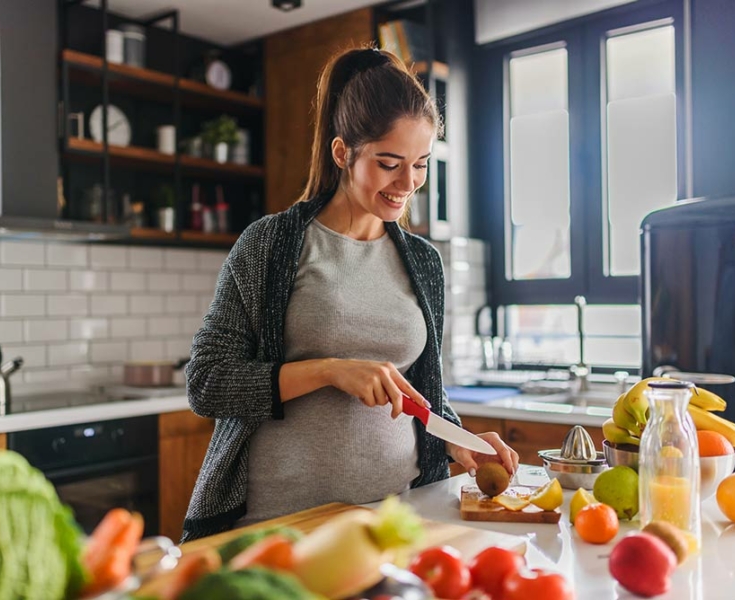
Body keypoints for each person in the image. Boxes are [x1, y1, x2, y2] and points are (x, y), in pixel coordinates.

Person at [182, 46, 518, 542]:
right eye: (389, 163)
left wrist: (460, 441)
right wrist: (329, 370)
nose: (408, 184)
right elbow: (207, 382)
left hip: (393, 522)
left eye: (421, 164)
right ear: (343, 153)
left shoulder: (424, 262)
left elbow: (420, 394)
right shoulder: (271, 244)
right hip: (279, 528)